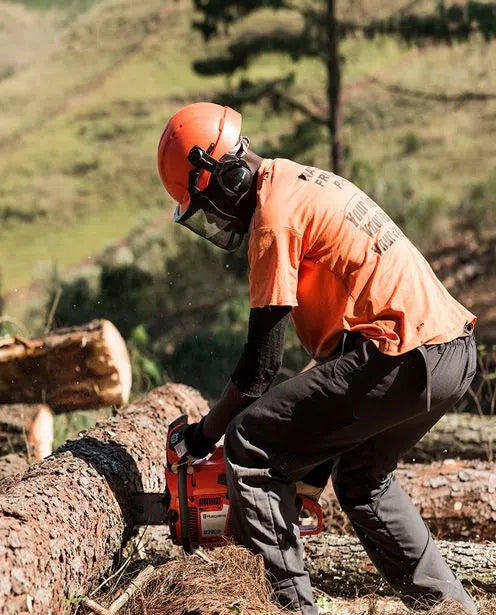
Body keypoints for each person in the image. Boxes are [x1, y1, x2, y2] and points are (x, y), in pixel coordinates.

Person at [156, 102, 478, 614]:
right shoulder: (297, 182)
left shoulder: (272, 219)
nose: (217, 220)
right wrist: (310, 465)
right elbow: (336, 377)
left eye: (211, 204)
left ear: (229, 175)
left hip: (402, 353)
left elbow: (260, 369)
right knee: (362, 481)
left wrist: (204, 435)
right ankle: (452, 608)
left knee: (251, 445)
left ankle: (289, 607)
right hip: (448, 352)